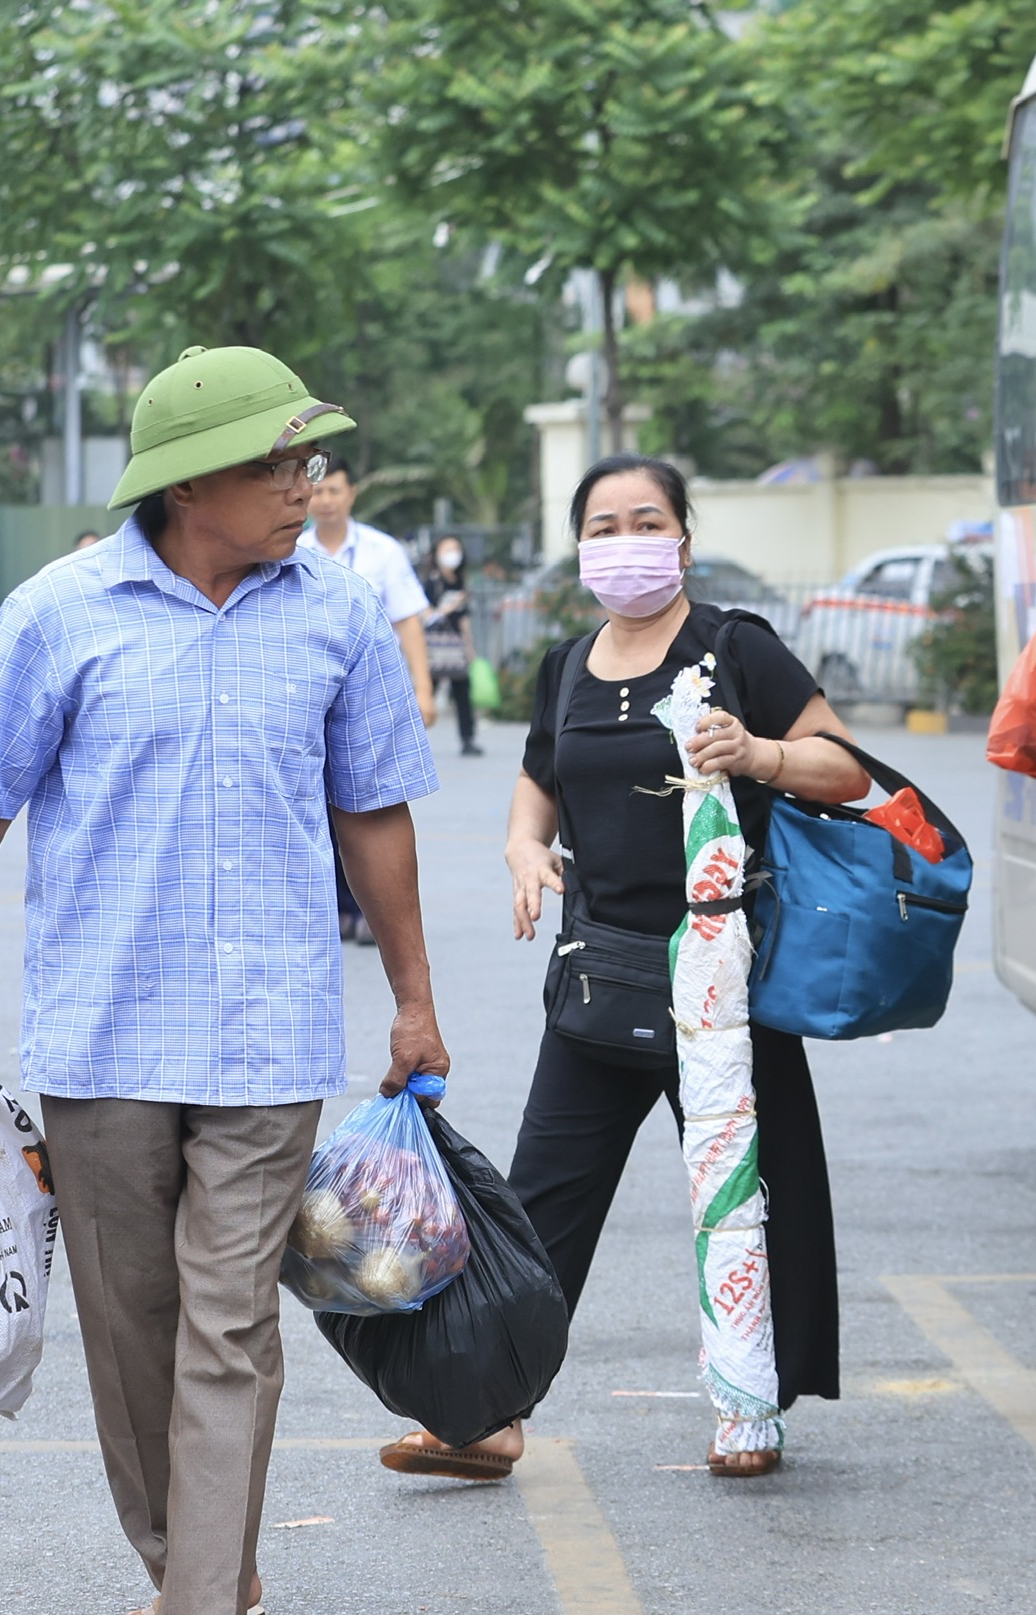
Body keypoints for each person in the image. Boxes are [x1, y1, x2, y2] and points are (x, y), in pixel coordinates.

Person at [0, 344, 446, 1615]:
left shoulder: (337, 615)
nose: (311, 488)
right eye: (285, 463)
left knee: (230, 1318)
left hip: (269, 1041)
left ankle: (201, 1602)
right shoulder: (59, 613)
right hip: (103, 1034)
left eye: (316, 462)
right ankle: (189, 1558)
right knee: (129, 1326)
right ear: (195, 481)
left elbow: (374, 812)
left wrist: (417, 997)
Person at [377, 453, 867, 1484]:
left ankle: (752, 1406)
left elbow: (846, 765)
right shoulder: (564, 665)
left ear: (683, 537)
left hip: (726, 983)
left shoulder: (735, 649)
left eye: (646, 519)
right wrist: (523, 850)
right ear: (581, 547)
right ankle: (486, 1414)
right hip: (600, 977)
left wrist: (760, 754)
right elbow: (535, 787)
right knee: (537, 1204)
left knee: (750, 1192)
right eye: (602, 524)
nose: (624, 538)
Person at [300, 449, 436, 942]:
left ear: (351, 494)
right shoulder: (291, 548)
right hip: (311, 694)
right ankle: (338, 905)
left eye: (335, 490)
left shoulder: (383, 553)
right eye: (318, 490)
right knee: (320, 799)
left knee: (369, 803)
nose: (325, 500)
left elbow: (407, 621)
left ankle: (368, 909)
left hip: (369, 695)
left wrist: (423, 689)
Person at [420, 532, 482, 757]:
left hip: (456, 646)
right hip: (435, 646)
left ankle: (468, 739)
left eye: (455, 549)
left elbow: (464, 619)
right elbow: (424, 615)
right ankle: (411, 739)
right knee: (428, 691)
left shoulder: (461, 581)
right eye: (446, 550)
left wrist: (470, 646)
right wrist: (447, 607)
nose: (451, 555)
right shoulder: (431, 583)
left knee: (462, 692)